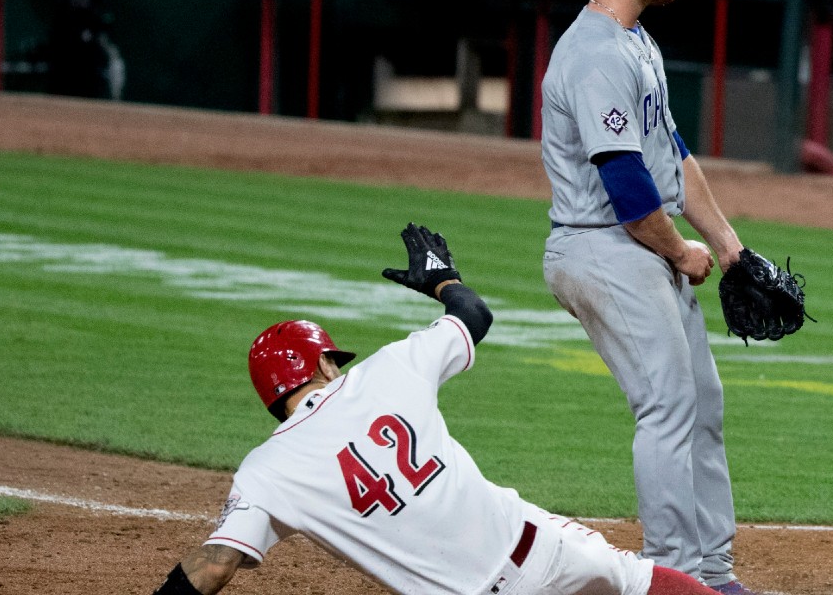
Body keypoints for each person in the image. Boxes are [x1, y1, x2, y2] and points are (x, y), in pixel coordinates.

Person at [151, 223, 721, 595]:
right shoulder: (385, 372)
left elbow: (218, 563)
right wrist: (443, 282)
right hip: (538, 552)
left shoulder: (266, 473)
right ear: (323, 366)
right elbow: (474, 315)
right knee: (638, 582)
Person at [539, 0, 760, 595]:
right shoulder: (594, 54)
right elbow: (629, 186)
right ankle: (678, 578)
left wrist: (726, 245)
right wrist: (680, 252)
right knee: (666, 407)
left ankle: (712, 572)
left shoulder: (636, 41)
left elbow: (672, 155)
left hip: (633, 245)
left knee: (701, 401)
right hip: (604, 248)